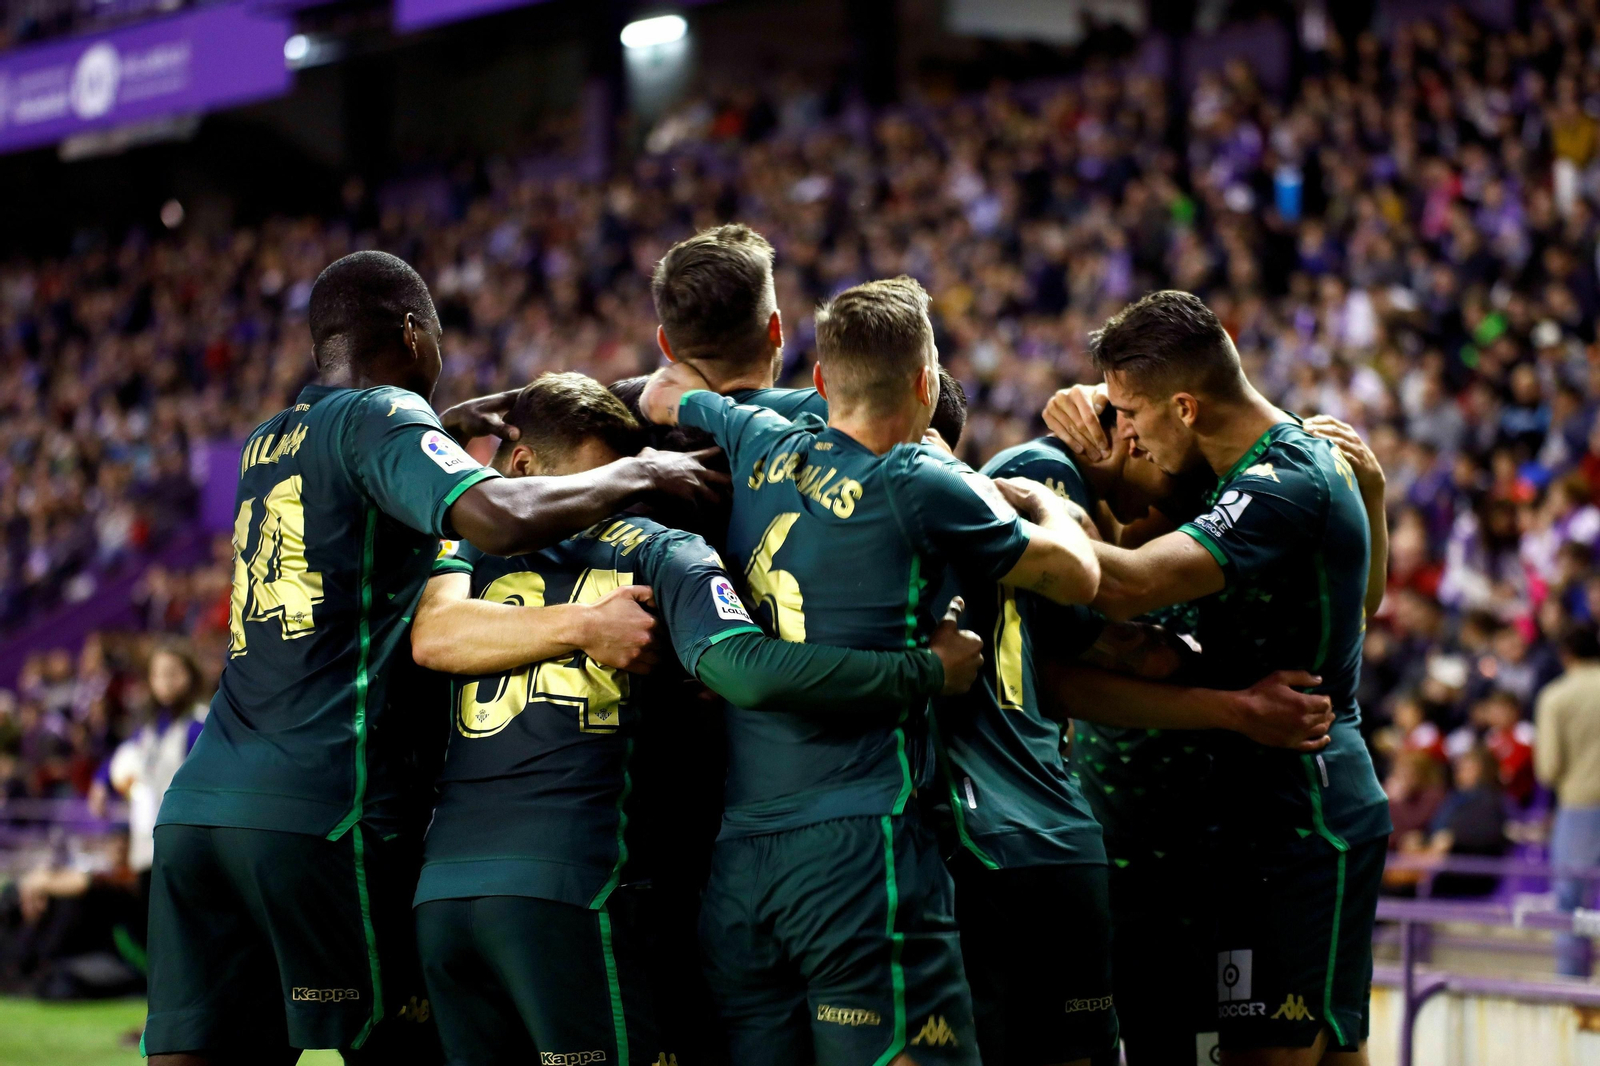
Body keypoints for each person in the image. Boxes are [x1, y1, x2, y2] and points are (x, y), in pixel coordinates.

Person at [143, 250, 724, 1066]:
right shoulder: (380, 414)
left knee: (197, 1053)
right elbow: (490, 514)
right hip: (321, 806)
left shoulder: (267, 441)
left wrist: (444, 430)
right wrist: (640, 469)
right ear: (413, 333)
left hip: (201, 808)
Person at [406, 372, 984, 1065]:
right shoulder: (660, 547)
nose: (603, 504)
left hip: (442, 897)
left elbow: (433, 636)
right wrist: (921, 673)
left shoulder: (470, 551)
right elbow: (739, 666)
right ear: (524, 466)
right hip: (570, 888)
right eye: (601, 483)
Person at [641, 275, 1102, 1066]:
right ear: (926, 384)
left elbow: (669, 392)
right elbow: (1080, 576)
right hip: (862, 849)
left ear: (819, 382)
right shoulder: (922, 484)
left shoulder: (752, 437)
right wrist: (1043, 501)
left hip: (743, 862)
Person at [1068, 291, 1391, 1066]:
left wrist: (1016, 515)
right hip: (1273, 802)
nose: (1131, 436)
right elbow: (1364, 602)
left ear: (1185, 405)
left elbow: (1131, 584)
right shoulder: (1254, 467)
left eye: (1135, 416)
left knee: (1269, 1052)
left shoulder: (1280, 483)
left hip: (1302, 808)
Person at [1535, 623, 1600, 977]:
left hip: (1579, 805)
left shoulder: (1556, 697)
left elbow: (1548, 768)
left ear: (1566, 655)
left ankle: (1573, 985)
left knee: (1571, 902)